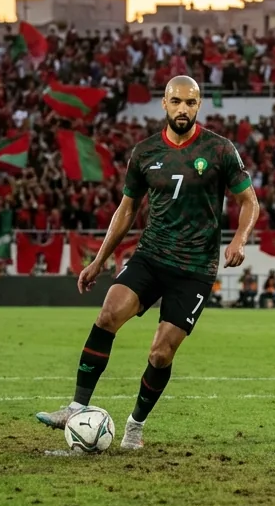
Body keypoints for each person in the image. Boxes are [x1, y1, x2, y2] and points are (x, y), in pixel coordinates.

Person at [36, 76, 259, 451]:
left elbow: (249, 201)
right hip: (151, 255)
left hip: (194, 269)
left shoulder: (220, 150)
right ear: (164, 104)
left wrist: (239, 239)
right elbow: (126, 211)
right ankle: (76, 407)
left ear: (199, 105)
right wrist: (98, 261)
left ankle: (135, 427)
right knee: (108, 314)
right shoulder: (144, 153)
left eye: (190, 103)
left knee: (160, 352)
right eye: (176, 102)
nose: (183, 109)